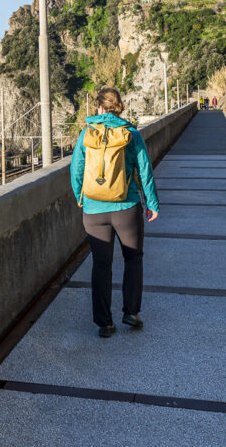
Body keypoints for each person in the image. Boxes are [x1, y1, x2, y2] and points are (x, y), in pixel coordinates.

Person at [70, 87, 159, 338]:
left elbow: (76, 170)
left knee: (101, 264)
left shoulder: (87, 133)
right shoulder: (130, 133)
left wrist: (81, 198)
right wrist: (151, 203)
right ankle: (131, 312)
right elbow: (144, 172)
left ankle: (104, 323)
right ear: (119, 107)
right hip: (126, 208)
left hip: (94, 210)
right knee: (133, 258)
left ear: (98, 108)